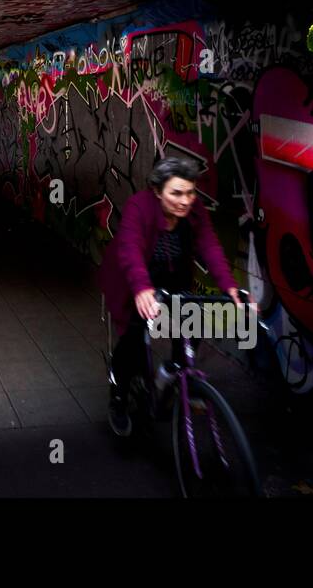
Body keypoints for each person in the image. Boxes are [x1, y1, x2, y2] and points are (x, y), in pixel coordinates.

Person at [98, 156, 249, 436]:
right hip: (134, 276)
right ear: (157, 191)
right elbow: (130, 248)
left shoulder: (194, 211)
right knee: (132, 338)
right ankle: (118, 397)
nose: (185, 200)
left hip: (172, 274)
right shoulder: (139, 206)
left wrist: (229, 285)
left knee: (190, 324)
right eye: (176, 193)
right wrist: (142, 289)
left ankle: (175, 376)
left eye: (190, 192)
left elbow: (209, 245)